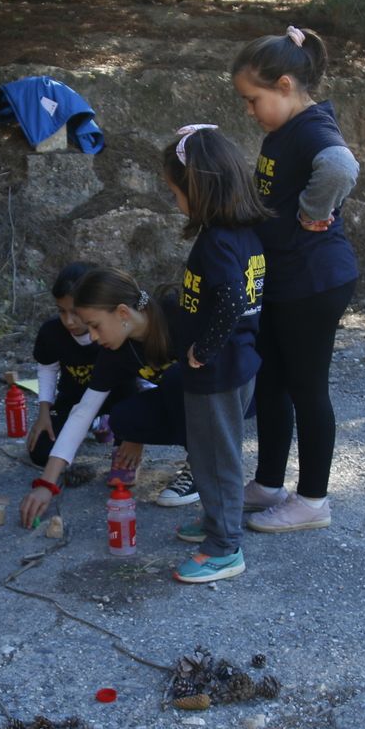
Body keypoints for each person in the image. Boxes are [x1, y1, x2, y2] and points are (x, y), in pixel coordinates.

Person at [232, 27, 360, 533]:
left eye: (253, 99)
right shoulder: (286, 128)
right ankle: (267, 483)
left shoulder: (311, 128)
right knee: (272, 384)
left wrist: (312, 213)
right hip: (287, 281)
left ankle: (312, 501)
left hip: (314, 281)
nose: (249, 111)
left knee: (307, 389)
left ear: (285, 85)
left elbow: (340, 166)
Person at [156, 124, 268, 583]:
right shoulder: (242, 235)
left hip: (217, 372)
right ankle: (216, 519)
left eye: (175, 191)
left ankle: (225, 547)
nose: (174, 200)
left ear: (197, 188)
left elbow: (230, 301)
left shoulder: (218, 243)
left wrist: (203, 348)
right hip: (237, 365)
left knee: (216, 457)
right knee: (212, 453)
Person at [19, 267, 191, 531]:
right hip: (185, 406)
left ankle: (202, 467)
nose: (94, 337)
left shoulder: (177, 316)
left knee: (177, 378)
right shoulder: (116, 351)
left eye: (95, 326)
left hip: (227, 400)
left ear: (122, 313)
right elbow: (83, 411)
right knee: (124, 417)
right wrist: (47, 484)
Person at [26, 260, 125, 469]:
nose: (69, 321)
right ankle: (94, 423)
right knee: (41, 453)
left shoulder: (113, 330)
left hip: (115, 398)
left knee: (129, 409)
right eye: (62, 311)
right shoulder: (51, 332)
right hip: (73, 399)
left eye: (75, 312)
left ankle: (115, 429)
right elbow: (47, 368)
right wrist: (44, 412)